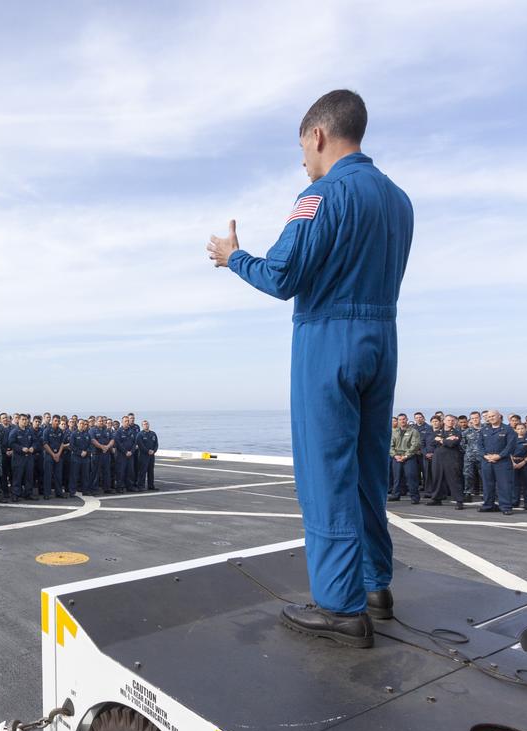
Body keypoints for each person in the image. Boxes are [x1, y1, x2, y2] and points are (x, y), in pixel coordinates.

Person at [209, 89, 412, 647]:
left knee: (325, 474)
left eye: (303, 147)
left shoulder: (320, 196)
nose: (303, 159)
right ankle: (376, 586)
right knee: (370, 468)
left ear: (318, 136)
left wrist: (234, 258)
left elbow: (283, 276)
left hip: (328, 336)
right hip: (383, 336)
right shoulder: (398, 200)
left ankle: (340, 606)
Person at [477, 410, 516, 515]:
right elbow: (479, 445)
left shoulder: (508, 429)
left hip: (502, 462)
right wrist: (485, 455)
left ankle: (506, 507)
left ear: (499, 416)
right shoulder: (484, 430)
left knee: (504, 485)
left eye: (493, 416)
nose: (491, 418)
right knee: (487, 484)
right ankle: (488, 505)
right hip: (487, 461)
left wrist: (499, 456)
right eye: (489, 416)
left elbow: (510, 446)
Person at [426, 414, 464, 508]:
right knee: (437, 478)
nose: (450, 422)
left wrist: (442, 440)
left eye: (452, 420)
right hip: (438, 459)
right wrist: (445, 440)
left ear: (454, 422)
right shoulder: (438, 431)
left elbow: (452, 444)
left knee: (454, 479)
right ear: (444, 421)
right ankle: (436, 498)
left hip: (451, 458)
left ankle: (459, 501)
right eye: (448, 420)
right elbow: (431, 442)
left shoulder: (456, 432)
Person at [387, 414, 420, 503]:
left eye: (404, 419)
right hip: (397, 457)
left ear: (407, 419)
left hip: (409, 457)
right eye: (400, 419)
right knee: (396, 478)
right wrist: (394, 455)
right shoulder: (394, 432)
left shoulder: (413, 431)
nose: (402, 421)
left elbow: (415, 445)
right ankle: (396, 495)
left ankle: (415, 497)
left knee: (411, 477)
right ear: (398, 421)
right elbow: (390, 445)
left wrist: (406, 456)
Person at [8, 414, 39, 501]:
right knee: (17, 477)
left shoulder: (29, 431)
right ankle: (15, 494)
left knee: (29, 476)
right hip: (18, 458)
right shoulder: (14, 431)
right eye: (23, 419)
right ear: (19, 420)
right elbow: (11, 443)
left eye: (26, 419)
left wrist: (33, 447)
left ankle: (28, 493)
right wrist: (21, 448)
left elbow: (35, 442)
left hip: (29, 458)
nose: (25, 421)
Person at [509, 423, 527, 510]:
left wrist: (524, 462)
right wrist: (512, 462)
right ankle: (514, 502)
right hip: (514, 462)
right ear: (515, 430)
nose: (520, 430)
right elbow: (509, 452)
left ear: (525, 429)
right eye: (518, 429)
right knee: (514, 483)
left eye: (522, 428)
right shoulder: (512, 439)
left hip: (526, 462)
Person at [42, 415, 68, 499]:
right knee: (48, 475)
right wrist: (53, 454)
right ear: (52, 421)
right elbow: (45, 444)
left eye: (58, 421)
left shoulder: (60, 431)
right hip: (49, 455)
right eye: (56, 420)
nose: (57, 422)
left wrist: (58, 454)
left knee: (58, 475)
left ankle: (59, 492)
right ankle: (47, 494)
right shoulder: (47, 430)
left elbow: (62, 444)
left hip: (58, 456)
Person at [462, 411, 483, 501]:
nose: (475, 420)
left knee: (484, 476)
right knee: (468, 475)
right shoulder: (467, 431)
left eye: (476, 418)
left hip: (483, 457)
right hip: (469, 457)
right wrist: (469, 451)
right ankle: (468, 493)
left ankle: (487, 493)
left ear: (480, 418)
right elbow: (463, 444)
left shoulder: (486, 430)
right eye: (473, 418)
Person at [138, 419, 159, 490]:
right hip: (143, 456)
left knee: (151, 471)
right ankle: (141, 486)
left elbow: (156, 444)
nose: (146, 425)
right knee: (143, 471)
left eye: (147, 424)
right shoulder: (140, 434)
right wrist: (147, 451)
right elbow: (140, 445)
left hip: (151, 456)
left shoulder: (153, 433)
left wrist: (154, 451)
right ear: (142, 426)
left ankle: (151, 485)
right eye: (144, 424)